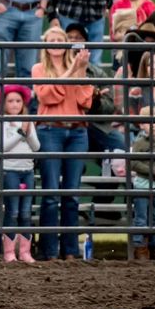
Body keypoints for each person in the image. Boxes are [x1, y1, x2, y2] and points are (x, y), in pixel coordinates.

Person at [32, 26, 94, 261]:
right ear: (46, 45)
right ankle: (48, 251)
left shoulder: (78, 67)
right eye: (52, 39)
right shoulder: (39, 68)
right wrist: (72, 69)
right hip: (50, 130)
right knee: (50, 193)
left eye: (61, 39)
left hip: (77, 131)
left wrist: (82, 69)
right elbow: (47, 96)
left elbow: (84, 100)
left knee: (72, 193)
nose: (57, 43)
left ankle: (70, 250)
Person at [0, 85, 38, 263]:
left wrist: (28, 131)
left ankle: (25, 252)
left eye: (18, 100)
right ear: (3, 104)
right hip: (9, 171)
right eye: (10, 101)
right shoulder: (0, 121)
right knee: (12, 211)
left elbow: (36, 147)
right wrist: (21, 133)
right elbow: (3, 146)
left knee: (25, 213)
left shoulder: (27, 120)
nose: (15, 104)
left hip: (28, 171)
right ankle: (9, 252)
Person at [129, 106, 155, 261]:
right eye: (150, 121)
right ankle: (139, 247)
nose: (154, 124)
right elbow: (133, 163)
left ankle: (153, 246)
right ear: (142, 125)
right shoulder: (140, 142)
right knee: (141, 218)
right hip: (143, 185)